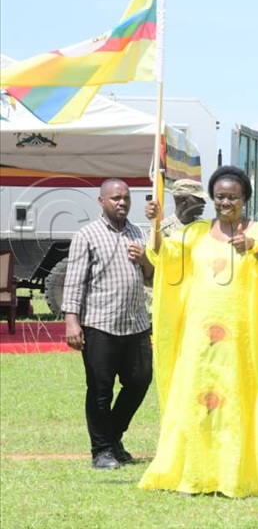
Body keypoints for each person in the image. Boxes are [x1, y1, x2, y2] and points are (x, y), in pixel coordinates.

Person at [138, 166, 258, 497]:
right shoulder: (194, 233)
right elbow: (163, 257)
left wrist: (250, 245)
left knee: (238, 398)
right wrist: (154, 223)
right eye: (220, 196)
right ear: (213, 198)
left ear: (244, 199)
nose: (226, 202)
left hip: (242, 339)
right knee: (196, 398)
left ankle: (234, 472)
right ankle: (195, 471)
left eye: (233, 197)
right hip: (199, 337)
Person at [62, 178, 154, 470]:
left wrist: (145, 261)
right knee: (100, 389)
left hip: (136, 324)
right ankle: (101, 450)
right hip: (100, 325)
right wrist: (71, 322)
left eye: (126, 198)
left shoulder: (139, 233)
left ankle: (113, 436)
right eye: (115, 198)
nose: (122, 202)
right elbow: (74, 281)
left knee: (140, 380)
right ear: (101, 201)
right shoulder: (87, 235)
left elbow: (153, 277)